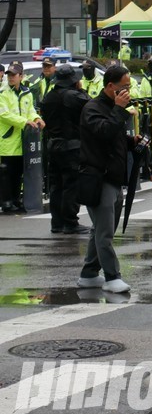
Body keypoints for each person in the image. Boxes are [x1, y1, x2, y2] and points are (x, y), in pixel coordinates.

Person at [77, 65, 138, 293]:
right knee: (104, 232)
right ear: (111, 86)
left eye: (129, 88)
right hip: (98, 177)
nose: (127, 92)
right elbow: (102, 132)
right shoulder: (92, 108)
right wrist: (120, 110)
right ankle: (112, 276)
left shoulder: (113, 107)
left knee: (102, 229)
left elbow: (114, 137)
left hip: (113, 177)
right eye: (124, 88)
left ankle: (89, 273)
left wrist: (132, 142)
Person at [41, 64, 90, 233]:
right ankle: (70, 222)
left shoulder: (49, 96)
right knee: (71, 184)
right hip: (72, 146)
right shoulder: (74, 96)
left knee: (56, 185)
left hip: (53, 144)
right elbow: (91, 106)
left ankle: (57, 223)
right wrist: (81, 90)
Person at [0, 62, 45, 213]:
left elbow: (30, 110)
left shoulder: (27, 93)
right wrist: (24, 122)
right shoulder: (2, 93)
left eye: (14, 75)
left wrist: (36, 118)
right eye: (9, 75)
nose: (11, 78)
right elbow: (3, 114)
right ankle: (6, 201)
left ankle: (15, 199)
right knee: (6, 171)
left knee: (19, 172)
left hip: (22, 140)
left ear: (21, 76)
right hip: (7, 140)